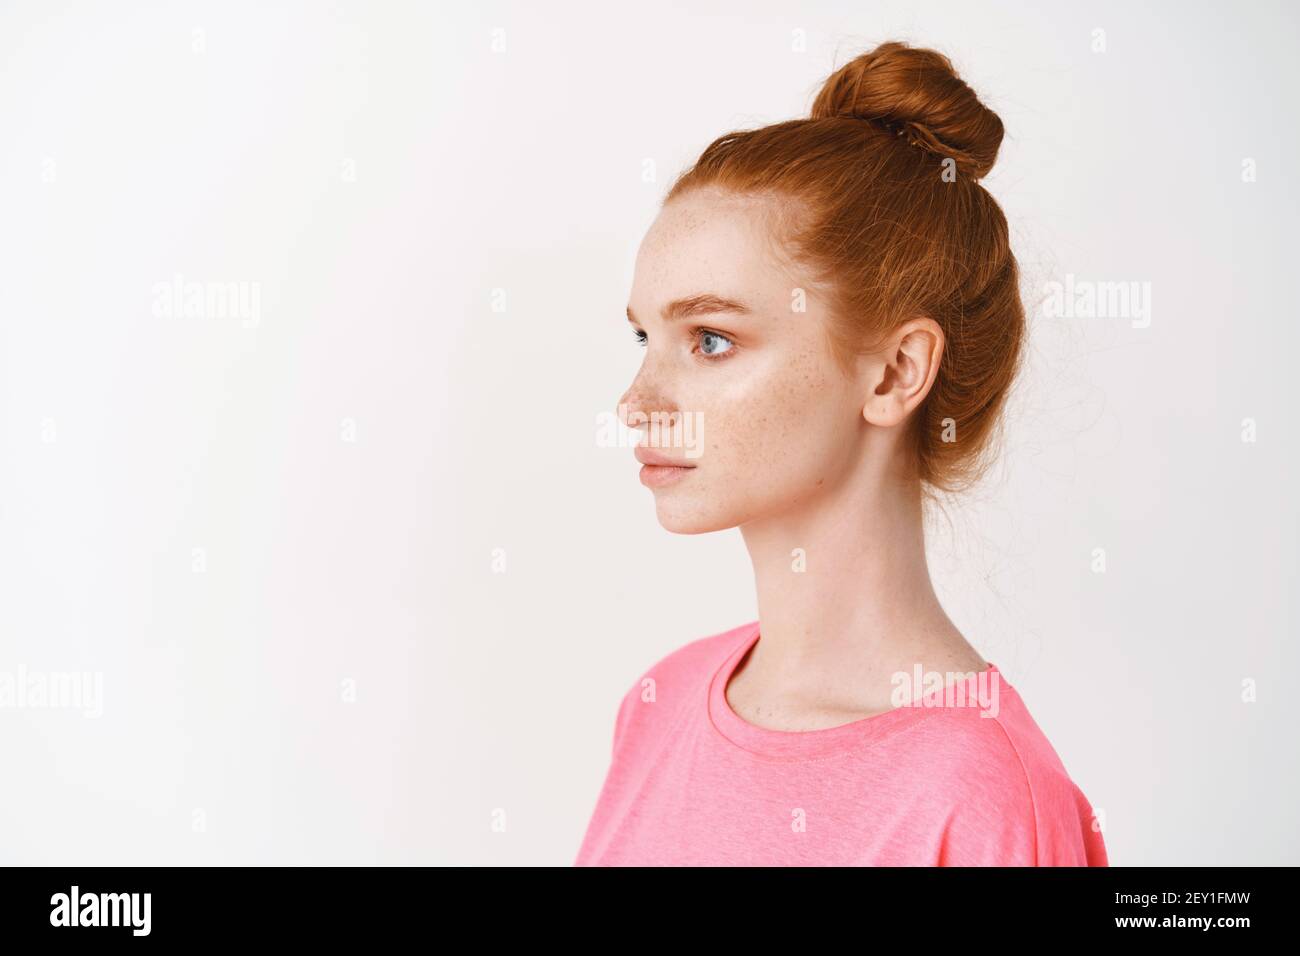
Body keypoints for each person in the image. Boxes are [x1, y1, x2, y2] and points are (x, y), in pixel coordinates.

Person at [576, 40, 1108, 866]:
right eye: (647, 336)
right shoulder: (659, 703)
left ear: (897, 372)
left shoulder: (977, 797)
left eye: (711, 339)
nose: (636, 404)